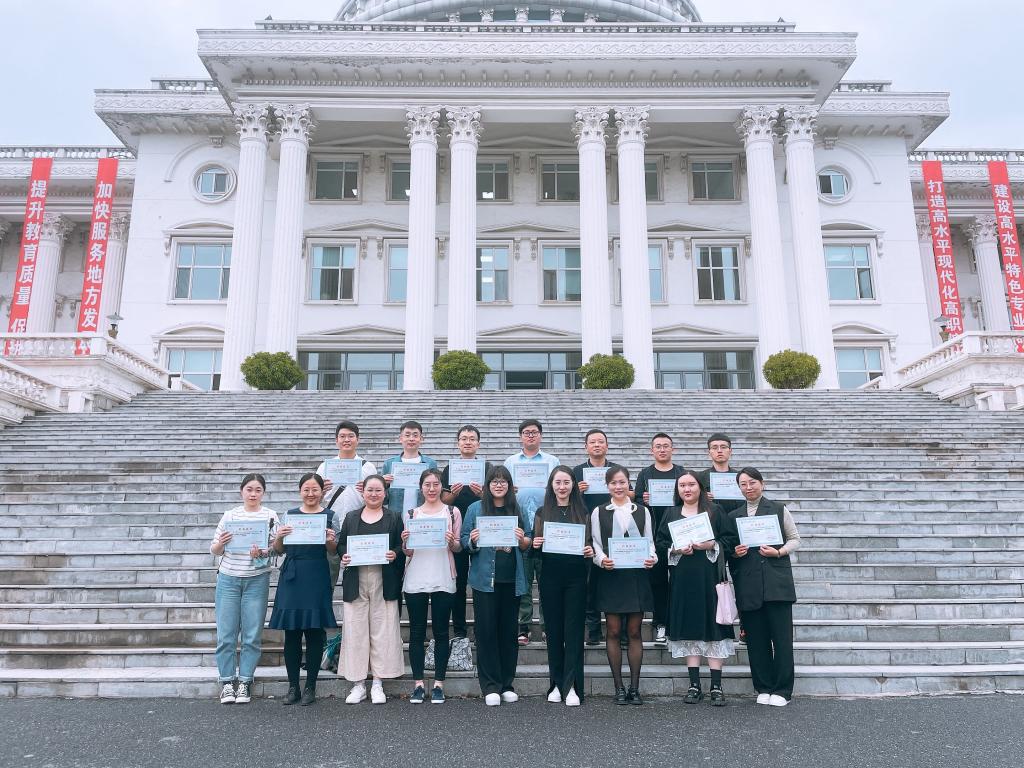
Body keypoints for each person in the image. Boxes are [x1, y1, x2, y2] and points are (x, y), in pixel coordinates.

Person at [721, 467, 801, 707]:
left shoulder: (778, 509)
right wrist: (735, 552)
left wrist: (779, 551)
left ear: (762, 483)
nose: (748, 488)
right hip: (749, 583)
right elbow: (729, 549)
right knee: (756, 640)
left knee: (782, 640)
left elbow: (795, 539)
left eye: (752, 482)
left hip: (777, 582)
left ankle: (783, 690)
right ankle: (763, 686)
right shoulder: (734, 516)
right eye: (743, 484)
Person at [655, 470, 734, 707]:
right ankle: (694, 685)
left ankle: (716, 686)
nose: (687, 489)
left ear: (700, 487)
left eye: (691, 484)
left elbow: (729, 540)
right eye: (682, 486)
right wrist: (676, 549)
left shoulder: (715, 511)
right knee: (689, 626)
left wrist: (711, 544)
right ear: (677, 490)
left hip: (709, 578)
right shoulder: (670, 513)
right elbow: (660, 543)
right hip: (682, 579)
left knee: (713, 626)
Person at [461, 465, 531, 706]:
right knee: (486, 632)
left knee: (508, 633)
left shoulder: (517, 508)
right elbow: (463, 540)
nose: (499, 485)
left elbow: (528, 540)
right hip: (484, 581)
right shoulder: (475, 508)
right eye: (494, 481)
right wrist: (473, 540)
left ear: (509, 485)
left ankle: (507, 684)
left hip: (512, 579)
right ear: (487, 485)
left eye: (503, 481)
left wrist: (523, 539)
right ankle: (490, 685)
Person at [268, 473, 338, 706]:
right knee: (292, 633)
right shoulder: (289, 515)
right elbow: (279, 550)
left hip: (317, 573)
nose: (310, 494)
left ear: (322, 491)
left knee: (314, 632)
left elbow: (333, 550)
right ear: (300, 491)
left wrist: (329, 539)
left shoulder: (330, 516)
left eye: (315, 489)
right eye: (306, 489)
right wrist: (279, 537)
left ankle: (310, 686)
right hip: (293, 575)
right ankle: (293, 687)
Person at [209, 473, 279, 705]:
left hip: (256, 580)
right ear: (241, 491)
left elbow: (277, 548)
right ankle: (227, 682)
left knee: (251, 634)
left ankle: (245, 681)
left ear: (263, 493)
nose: (253, 494)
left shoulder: (270, 516)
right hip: (228, 579)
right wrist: (221, 543)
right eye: (249, 489)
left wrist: (263, 551)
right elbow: (215, 549)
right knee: (226, 634)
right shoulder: (230, 515)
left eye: (258, 490)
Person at [590, 465, 656, 705]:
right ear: (607, 486)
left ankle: (634, 688)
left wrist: (652, 557)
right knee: (614, 631)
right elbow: (595, 542)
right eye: (613, 483)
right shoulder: (599, 511)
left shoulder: (642, 511)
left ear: (629, 484)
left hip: (636, 575)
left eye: (622, 482)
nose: (618, 487)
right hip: (611, 575)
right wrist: (601, 559)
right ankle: (618, 687)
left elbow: (649, 541)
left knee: (635, 631)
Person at [337, 475, 406, 705]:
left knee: (383, 629)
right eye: (370, 490)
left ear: (385, 493)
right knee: (355, 630)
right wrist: (344, 555)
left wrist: (395, 553)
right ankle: (358, 684)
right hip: (356, 579)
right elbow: (341, 544)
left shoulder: (394, 517)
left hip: (383, 578)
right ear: (363, 492)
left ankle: (377, 682)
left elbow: (401, 546)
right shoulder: (351, 517)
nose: (374, 494)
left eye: (378, 490)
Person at [531, 466, 594, 706]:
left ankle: (573, 686)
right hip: (550, 577)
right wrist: (535, 543)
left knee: (574, 633)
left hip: (576, 578)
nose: (562, 487)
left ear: (573, 485)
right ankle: (556, 684)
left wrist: (589, 550)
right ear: (551, 485)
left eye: (566, 482)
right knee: (554, 632)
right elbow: (535, 552)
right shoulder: (542, 512)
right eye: (557, 482)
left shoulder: (583, 511)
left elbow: (590, 544)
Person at [401, 468, 463, 704]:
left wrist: (452, 542)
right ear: (421, 487)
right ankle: (418, 684)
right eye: (427, 484)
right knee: (416, 632)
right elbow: (407, 551)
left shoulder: (452, 512)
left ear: (442, 487)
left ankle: (438, 684)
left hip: (442, 575)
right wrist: (405, 542)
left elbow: (458, 547)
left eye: (436, 484)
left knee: (441, 632)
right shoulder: (411, 513)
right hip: (416, 576)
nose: (431, 489)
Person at [504, 419, 559, 645]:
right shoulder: (510, 462)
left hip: (546, 525)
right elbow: (501, 488)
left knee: (548, 582)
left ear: (541, 436)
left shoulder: (552, 461)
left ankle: (548, 626)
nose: (530, 436)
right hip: (520, 526)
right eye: (526, 432)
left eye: (534, 432)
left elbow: (561, 487)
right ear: (520, 437)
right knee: (523, 582)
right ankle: (524, 627)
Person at [572, 429, 624, 646]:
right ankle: (593, 630)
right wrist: (577, 491)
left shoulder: (615, 471)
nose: (596, 445)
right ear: (586, 447)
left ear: (607, 446)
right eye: (592, 442)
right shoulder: (577, 471)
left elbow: (630, 494)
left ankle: (620, 631)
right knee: (589, 582)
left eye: (600, 442)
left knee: (616, 580)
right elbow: (565, 497)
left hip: (614, 530)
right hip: (586, 531)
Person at [632, 432, 686, 646]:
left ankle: (679, 623)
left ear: (673, 449)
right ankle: (660, 623)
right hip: (655, 536)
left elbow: (690, 495)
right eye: (658, 446)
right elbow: (636, 501)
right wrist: (642, 499)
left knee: (680, 581)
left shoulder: (681, 472)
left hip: (680, 534)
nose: (662, 449)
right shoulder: (645, 474)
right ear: (651, 450)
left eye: (666, 446)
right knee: (658, 583)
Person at [440, 424, 491, 640]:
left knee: (483, 581)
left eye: (472, 439)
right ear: (458, 443)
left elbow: (494, 498)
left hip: (482, 529)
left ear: (478, 443)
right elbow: (444, 500)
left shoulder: (487, 468)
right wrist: (454, 493)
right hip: (457, 528)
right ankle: (460, 629)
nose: (467, 442)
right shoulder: (449, 469)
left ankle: (482, 627)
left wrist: (482, 494)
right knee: (459, 582)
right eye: (464, 438)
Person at [316, 420, 378, 592]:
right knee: (326, 577)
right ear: (336, 440)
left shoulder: (368, 467)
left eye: (351, 436)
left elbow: (378, 499)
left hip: (360, 526)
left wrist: (369, 492)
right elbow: (314, 499)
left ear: (358, 439)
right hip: (331, 527)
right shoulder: (325, 467)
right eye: (342, 436)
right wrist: (321, 492)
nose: (346, 440)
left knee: (359, 581)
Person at [382, 420, 438, 514]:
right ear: (400, 438)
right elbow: (384, 501)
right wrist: (383, 484)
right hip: (396, 516)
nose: (411, 439)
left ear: (421, 439)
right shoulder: (389, 464)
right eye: (407, 435)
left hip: (423, 515)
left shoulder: (430, 464)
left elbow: (437, 494)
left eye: (415, 435)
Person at [697, 433, 745, 515]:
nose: (719, 451)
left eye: (723, 447)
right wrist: (701, 498)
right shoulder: (700, 478)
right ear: (709, 452)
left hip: (736, 518)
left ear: (730, 451)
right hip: (712, 519)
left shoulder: (740, 477)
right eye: (714, 447)